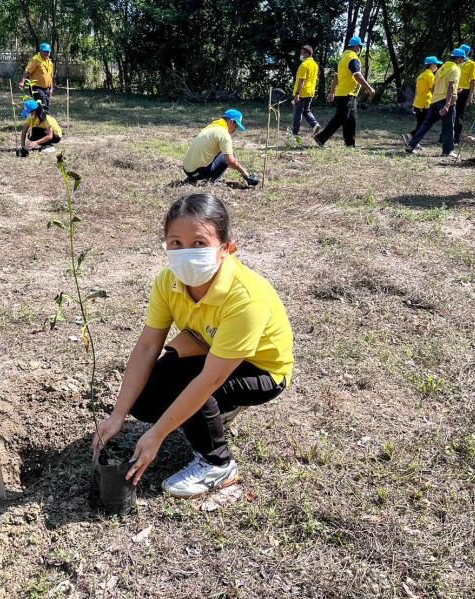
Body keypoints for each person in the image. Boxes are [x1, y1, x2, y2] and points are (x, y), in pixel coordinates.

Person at [92, 193, 294, 498]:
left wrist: (157, 435)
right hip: (212, 349)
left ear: (227, 248)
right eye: (176, 243)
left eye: (199, 243)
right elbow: (148, 346)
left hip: (261, 369)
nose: (186, 253)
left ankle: (218, 464)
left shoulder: (245, 297)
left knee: (200, 387)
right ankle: (212, 416)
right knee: (145, 402)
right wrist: (118, 413)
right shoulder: (167, 282)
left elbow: (210, 378)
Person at [313, 36, 375, 148]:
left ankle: (350, 144)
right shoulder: (353, 58)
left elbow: (336, 76)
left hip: (347, 94)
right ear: (357, 47)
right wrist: (369, 88)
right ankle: (320, 138)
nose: (360, 48)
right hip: (347, 94)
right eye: (360, 46)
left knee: (351, 119)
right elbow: (357, 75)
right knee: (340, 118)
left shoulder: (343, 58)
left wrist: (332, 92)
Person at [404, 48, 466, 157]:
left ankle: (411, 145)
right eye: (463, 58)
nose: (463, 61)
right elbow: (451, 86)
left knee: (425, 125)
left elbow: (438, 86)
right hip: (446, 100)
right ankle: (448, 151)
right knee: (448, 126)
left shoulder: (441, 69)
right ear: (459, 58)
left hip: (434, 101)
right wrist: (447, 105)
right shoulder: (455, 69)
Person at [182, 109, 259, 186]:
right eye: (236, 126)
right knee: (230, 154)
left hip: (187, 171)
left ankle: (192, 178)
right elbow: (230, 161)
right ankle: (214, 180)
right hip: (198, 173)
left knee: (222, 151)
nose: (235, 129)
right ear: (231, 122)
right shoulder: (223, 133)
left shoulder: (211, 127)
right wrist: (245, 174)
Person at [404, 56, 441, 146]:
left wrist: (414, 103)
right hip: (425, 103)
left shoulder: (421, 75)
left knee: (420, 123)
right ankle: (410, 136)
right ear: (431, 65)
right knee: (423, 125)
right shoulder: (430, 75)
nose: (437, 66)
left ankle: (415, 142)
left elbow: (417, 90)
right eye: (436, 64)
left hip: (418, 103)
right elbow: (433, 89)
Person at [291, 44, 320, 138]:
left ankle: (294, 133)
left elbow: (301, 81)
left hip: (302, 92)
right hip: (311, 92)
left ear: (307, 53)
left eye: (302, 53)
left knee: (297, 113)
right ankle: (315, 124)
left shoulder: (304, 65)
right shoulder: (315, 65)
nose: (301, 55)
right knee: (306, 110)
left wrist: (297, 94)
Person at [454, 44, 475, 144]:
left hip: (464, 91)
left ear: (468, 52)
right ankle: (445, 137)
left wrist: (471, 95)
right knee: (450, 113)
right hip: (453, 89)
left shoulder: (472, 64)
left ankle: (456, 138)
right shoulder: (456, 62)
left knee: (459, 115)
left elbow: (473, 81)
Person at [19, 42, 54, 109]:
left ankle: (41, 118)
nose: (46, 53)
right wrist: (22, 81)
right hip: (36, 87)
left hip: (46, 88)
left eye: (48, 52)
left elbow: (51, 76)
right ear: (40, 51)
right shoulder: (35, 60)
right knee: (42, 104)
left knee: (46, 105)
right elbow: (28, 71)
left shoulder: (50, 62)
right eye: (45, 51)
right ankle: (40, 118)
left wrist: (51, 88)